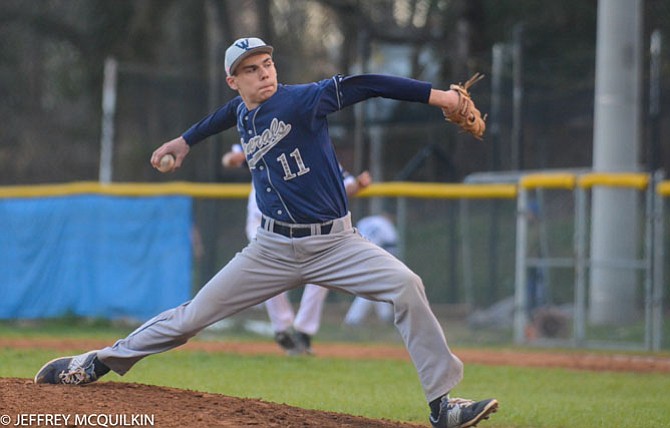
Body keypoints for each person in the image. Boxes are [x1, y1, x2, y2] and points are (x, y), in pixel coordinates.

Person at [34, 37, 498, 428]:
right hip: (271, 249)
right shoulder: (243, 112)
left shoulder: (301, 99)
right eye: (250, 70)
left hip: (336, 244)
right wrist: (185, 140)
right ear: (235, 81)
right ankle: (96, 363)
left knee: (407, 287)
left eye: (267, 64)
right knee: (192, 317)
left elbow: (367, 84)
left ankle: (443, 406)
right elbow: (223, 116)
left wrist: (443, 97)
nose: (264, 74)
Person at [222, 144, 371, 354]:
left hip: (298, 225)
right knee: (268, 273)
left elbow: (345, 187)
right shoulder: (266, 138)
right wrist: (241, 155)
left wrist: (358, 184)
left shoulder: (318, 153)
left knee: (322, 274)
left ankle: (303, 332)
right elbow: (228, 160)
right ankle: (283, 328)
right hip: (261, 222)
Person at [343, 214, 397, 326]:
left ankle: (386, 316)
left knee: (377, 286)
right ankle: (352, 319)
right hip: (374, 257)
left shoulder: (366, 220)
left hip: (356, 252)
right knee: (370, 288)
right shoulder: (388, 226)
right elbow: (391, 247)